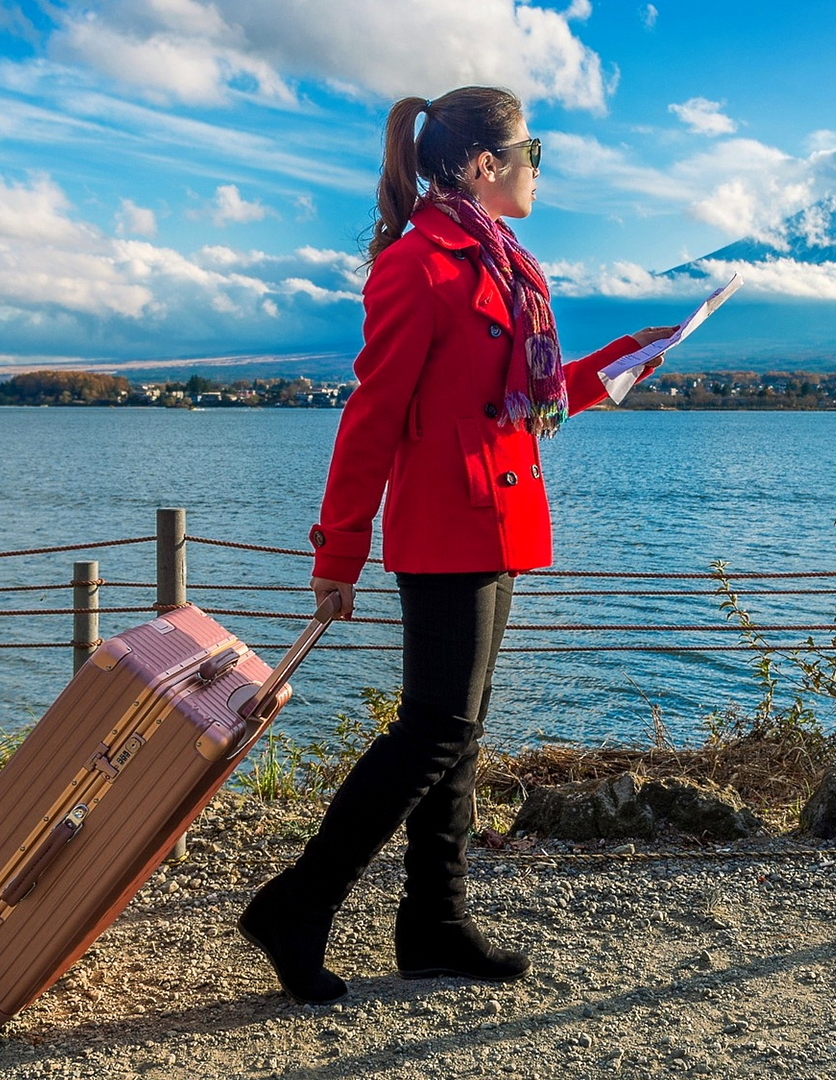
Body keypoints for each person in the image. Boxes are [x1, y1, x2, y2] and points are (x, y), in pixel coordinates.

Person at [237, 85, 675, 1005]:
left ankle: (433, 922)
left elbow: (518, 399)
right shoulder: (418, 266)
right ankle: (298, 904)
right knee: (434, 729)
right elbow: (373, 417)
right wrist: (338, 552)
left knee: (456, 730)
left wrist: (621, 361)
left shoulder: (499, 261)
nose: (537, 166)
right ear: (485, 164)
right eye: (532, 150)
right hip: (446, 525)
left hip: (495, 518)